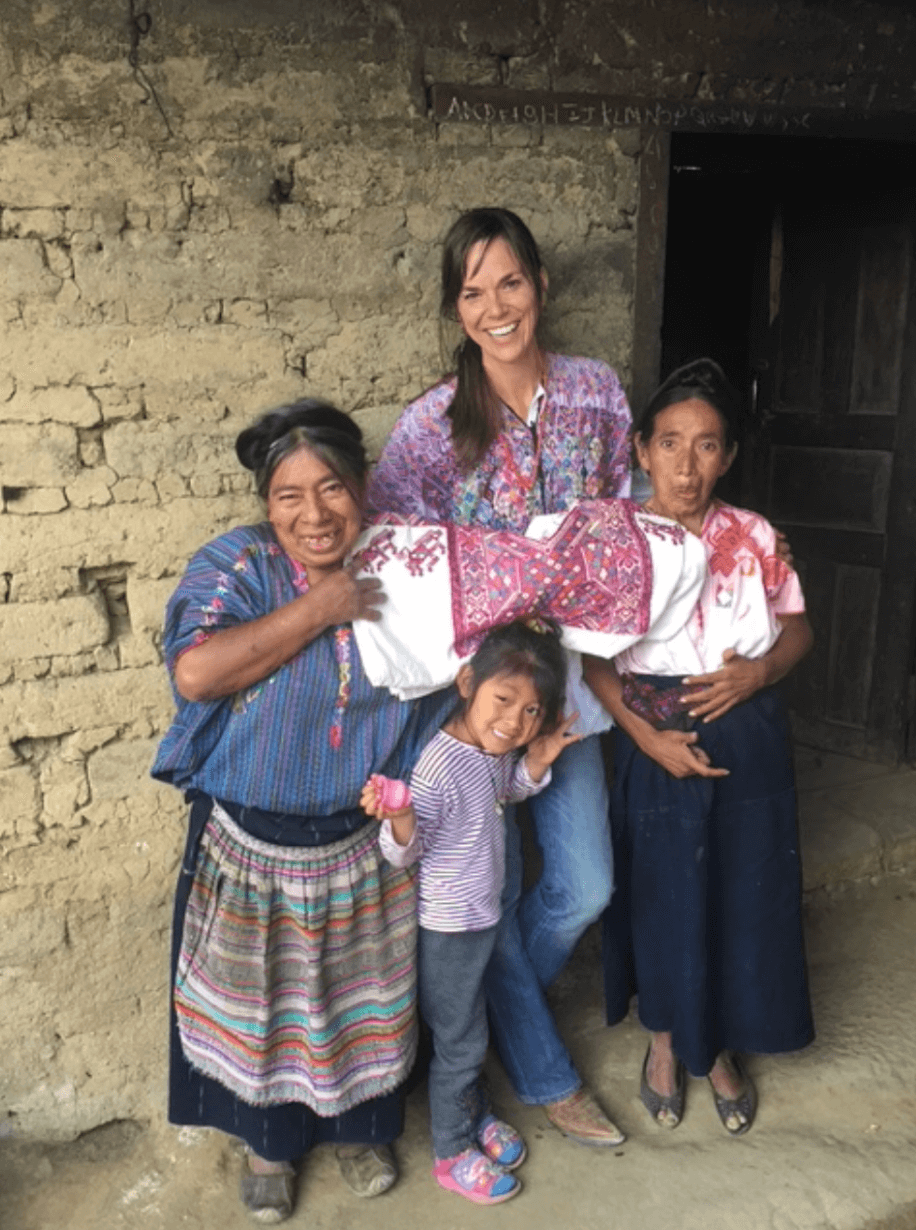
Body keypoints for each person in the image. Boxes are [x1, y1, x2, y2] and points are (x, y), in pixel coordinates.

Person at [151, 400, 457, 1224]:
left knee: (363, 999)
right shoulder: (239, 565)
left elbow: (449, 668)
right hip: (249, 839)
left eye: (331, 488)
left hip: (361, 838)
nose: (314, 514)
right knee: (264, 1009)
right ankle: (269, 1145)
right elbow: (197, 673)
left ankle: (361, 1133)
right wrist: (321, 607)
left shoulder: (403, 565)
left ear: (363, 486)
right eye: (289, 495)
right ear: (266, 504)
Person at [367, 206, 631, 1144]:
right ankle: (548, 1074)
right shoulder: (432, 425)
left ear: (541, 285)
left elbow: (628, 525)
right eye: (473, 292)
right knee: (489, 891)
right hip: (479, 708)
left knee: (585, 887)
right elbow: (391, 546)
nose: (496, 307)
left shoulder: (598, 395)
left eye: (510, 282)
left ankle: (480, 1016)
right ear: (456, 308)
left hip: (567, 694)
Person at [583, 358, 815, 1136]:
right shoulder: (614, 541)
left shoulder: (753, 537)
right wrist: (647, 739)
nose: (688, 466)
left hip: (750, 739)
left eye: (708, 445)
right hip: (657, 737)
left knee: (741, 893)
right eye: (671, 443)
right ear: (641, 451)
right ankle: (665, 1038)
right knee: (664, 893)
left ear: (729, 455)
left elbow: (798, 632)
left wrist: (758, 673)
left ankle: (715, 1047)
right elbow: (593, 662)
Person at [362, 621, 580, 1204]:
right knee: (460, 1042)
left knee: (470, 1028)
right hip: (450, 929)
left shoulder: (489, 751)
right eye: (503, 700)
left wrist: (538, 761)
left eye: (532, 711)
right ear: (466, 683)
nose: (515, 722)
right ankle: (452, 1151)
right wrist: (401, 817)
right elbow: (402, 853)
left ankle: (474, 1112)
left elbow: (505, 791)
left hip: (482, 918)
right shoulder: (437, 765)